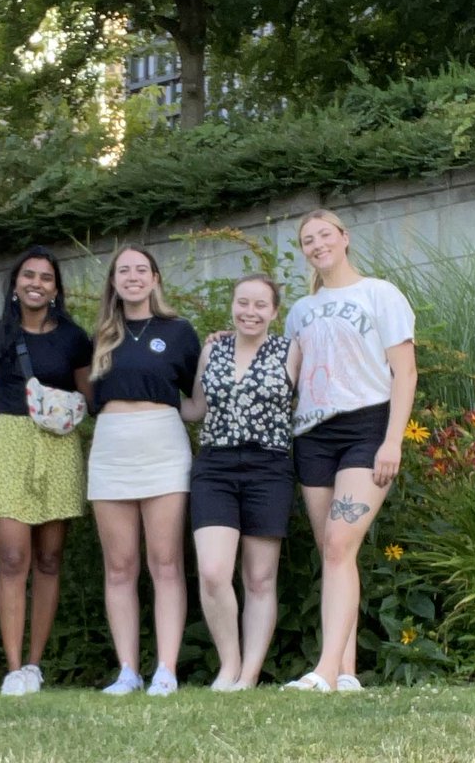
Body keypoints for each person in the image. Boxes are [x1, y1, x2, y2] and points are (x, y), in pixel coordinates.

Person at [282, 209, 417, 693]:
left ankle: (322, 671)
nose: (316, 244)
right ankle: (344, 673)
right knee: (333, 553)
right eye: (306, 240)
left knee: (340, 544)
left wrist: (392, 440)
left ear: (344, 238)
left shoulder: (380, 293)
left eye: (324, 235)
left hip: (367, 427)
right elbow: (286, 380)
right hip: (313, 434)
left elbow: (406, 372)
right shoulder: (300, 310)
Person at [0, 246, 94, 696]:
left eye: (46, 277)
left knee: (48, 559)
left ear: (56, 288)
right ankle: (12, 668)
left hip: (58, 446)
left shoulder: (74, 338)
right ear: (16, 282)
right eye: (29, 275)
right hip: (8, 440)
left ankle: (35, 665)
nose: (36, 283)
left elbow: (86, 395)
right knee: (12, 559)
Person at [87, 245, 201, 697]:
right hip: (111, 447)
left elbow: (194, 403)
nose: (132, 277)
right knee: (119, 566)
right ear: (113, 282)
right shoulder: (97, 335)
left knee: (166, 563)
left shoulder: (179, 331)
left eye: (141, 270)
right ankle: (128, 671)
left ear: (155, 278)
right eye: (123, 271)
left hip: (164, 445)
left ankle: (166, 671)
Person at [181, 275, 301, 690]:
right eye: (242, 303)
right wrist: (141, 391)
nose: (250, 312)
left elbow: (307, 404)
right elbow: (196, 409)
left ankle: (248, 676)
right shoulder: (211, 348)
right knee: (213, 572)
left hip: (268, 467)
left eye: (260, 305)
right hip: (214, 466)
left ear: (274, 311)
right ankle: (228, 665)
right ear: (231, 305)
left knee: (259, 578)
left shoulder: (291, 350)